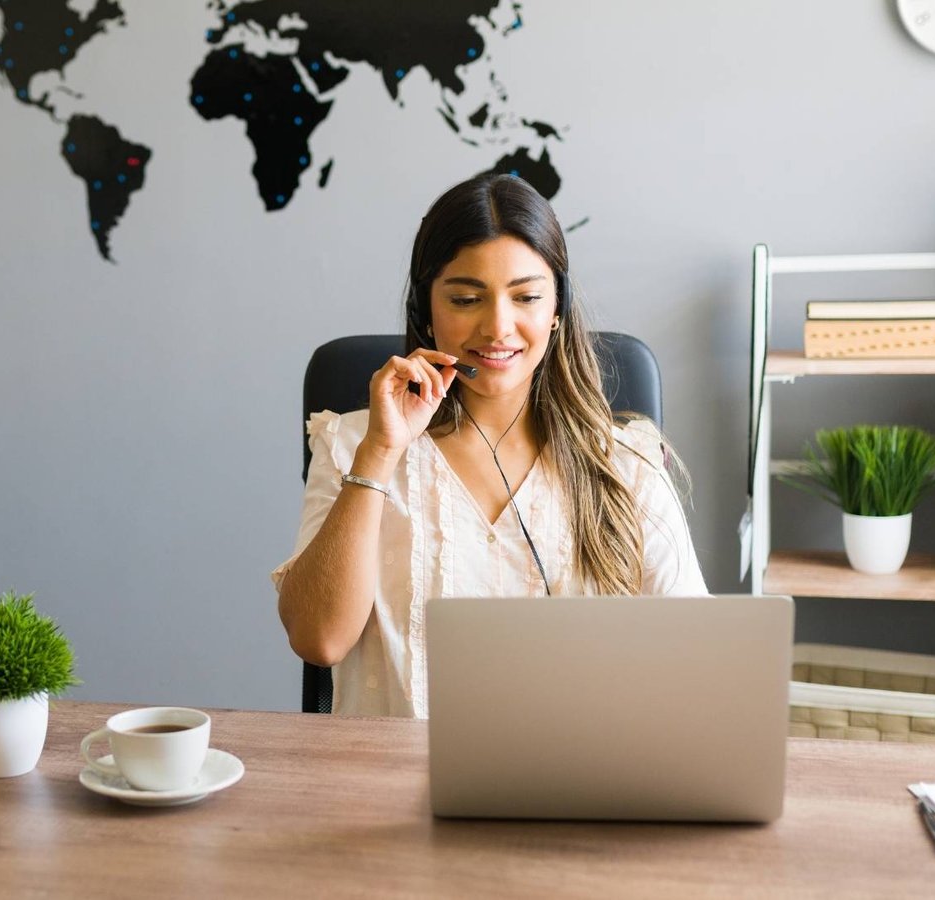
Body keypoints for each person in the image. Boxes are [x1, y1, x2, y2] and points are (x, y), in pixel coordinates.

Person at [272, 174, 708, 718]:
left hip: (580, 784)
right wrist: (381, 454)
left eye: (525, 296)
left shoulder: (626, 463)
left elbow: (695, 664)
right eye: (465, 298)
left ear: (557, 310)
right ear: (425, 312)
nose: (498, 327)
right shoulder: (355, 443)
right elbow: (318, 641)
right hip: (384, 789)